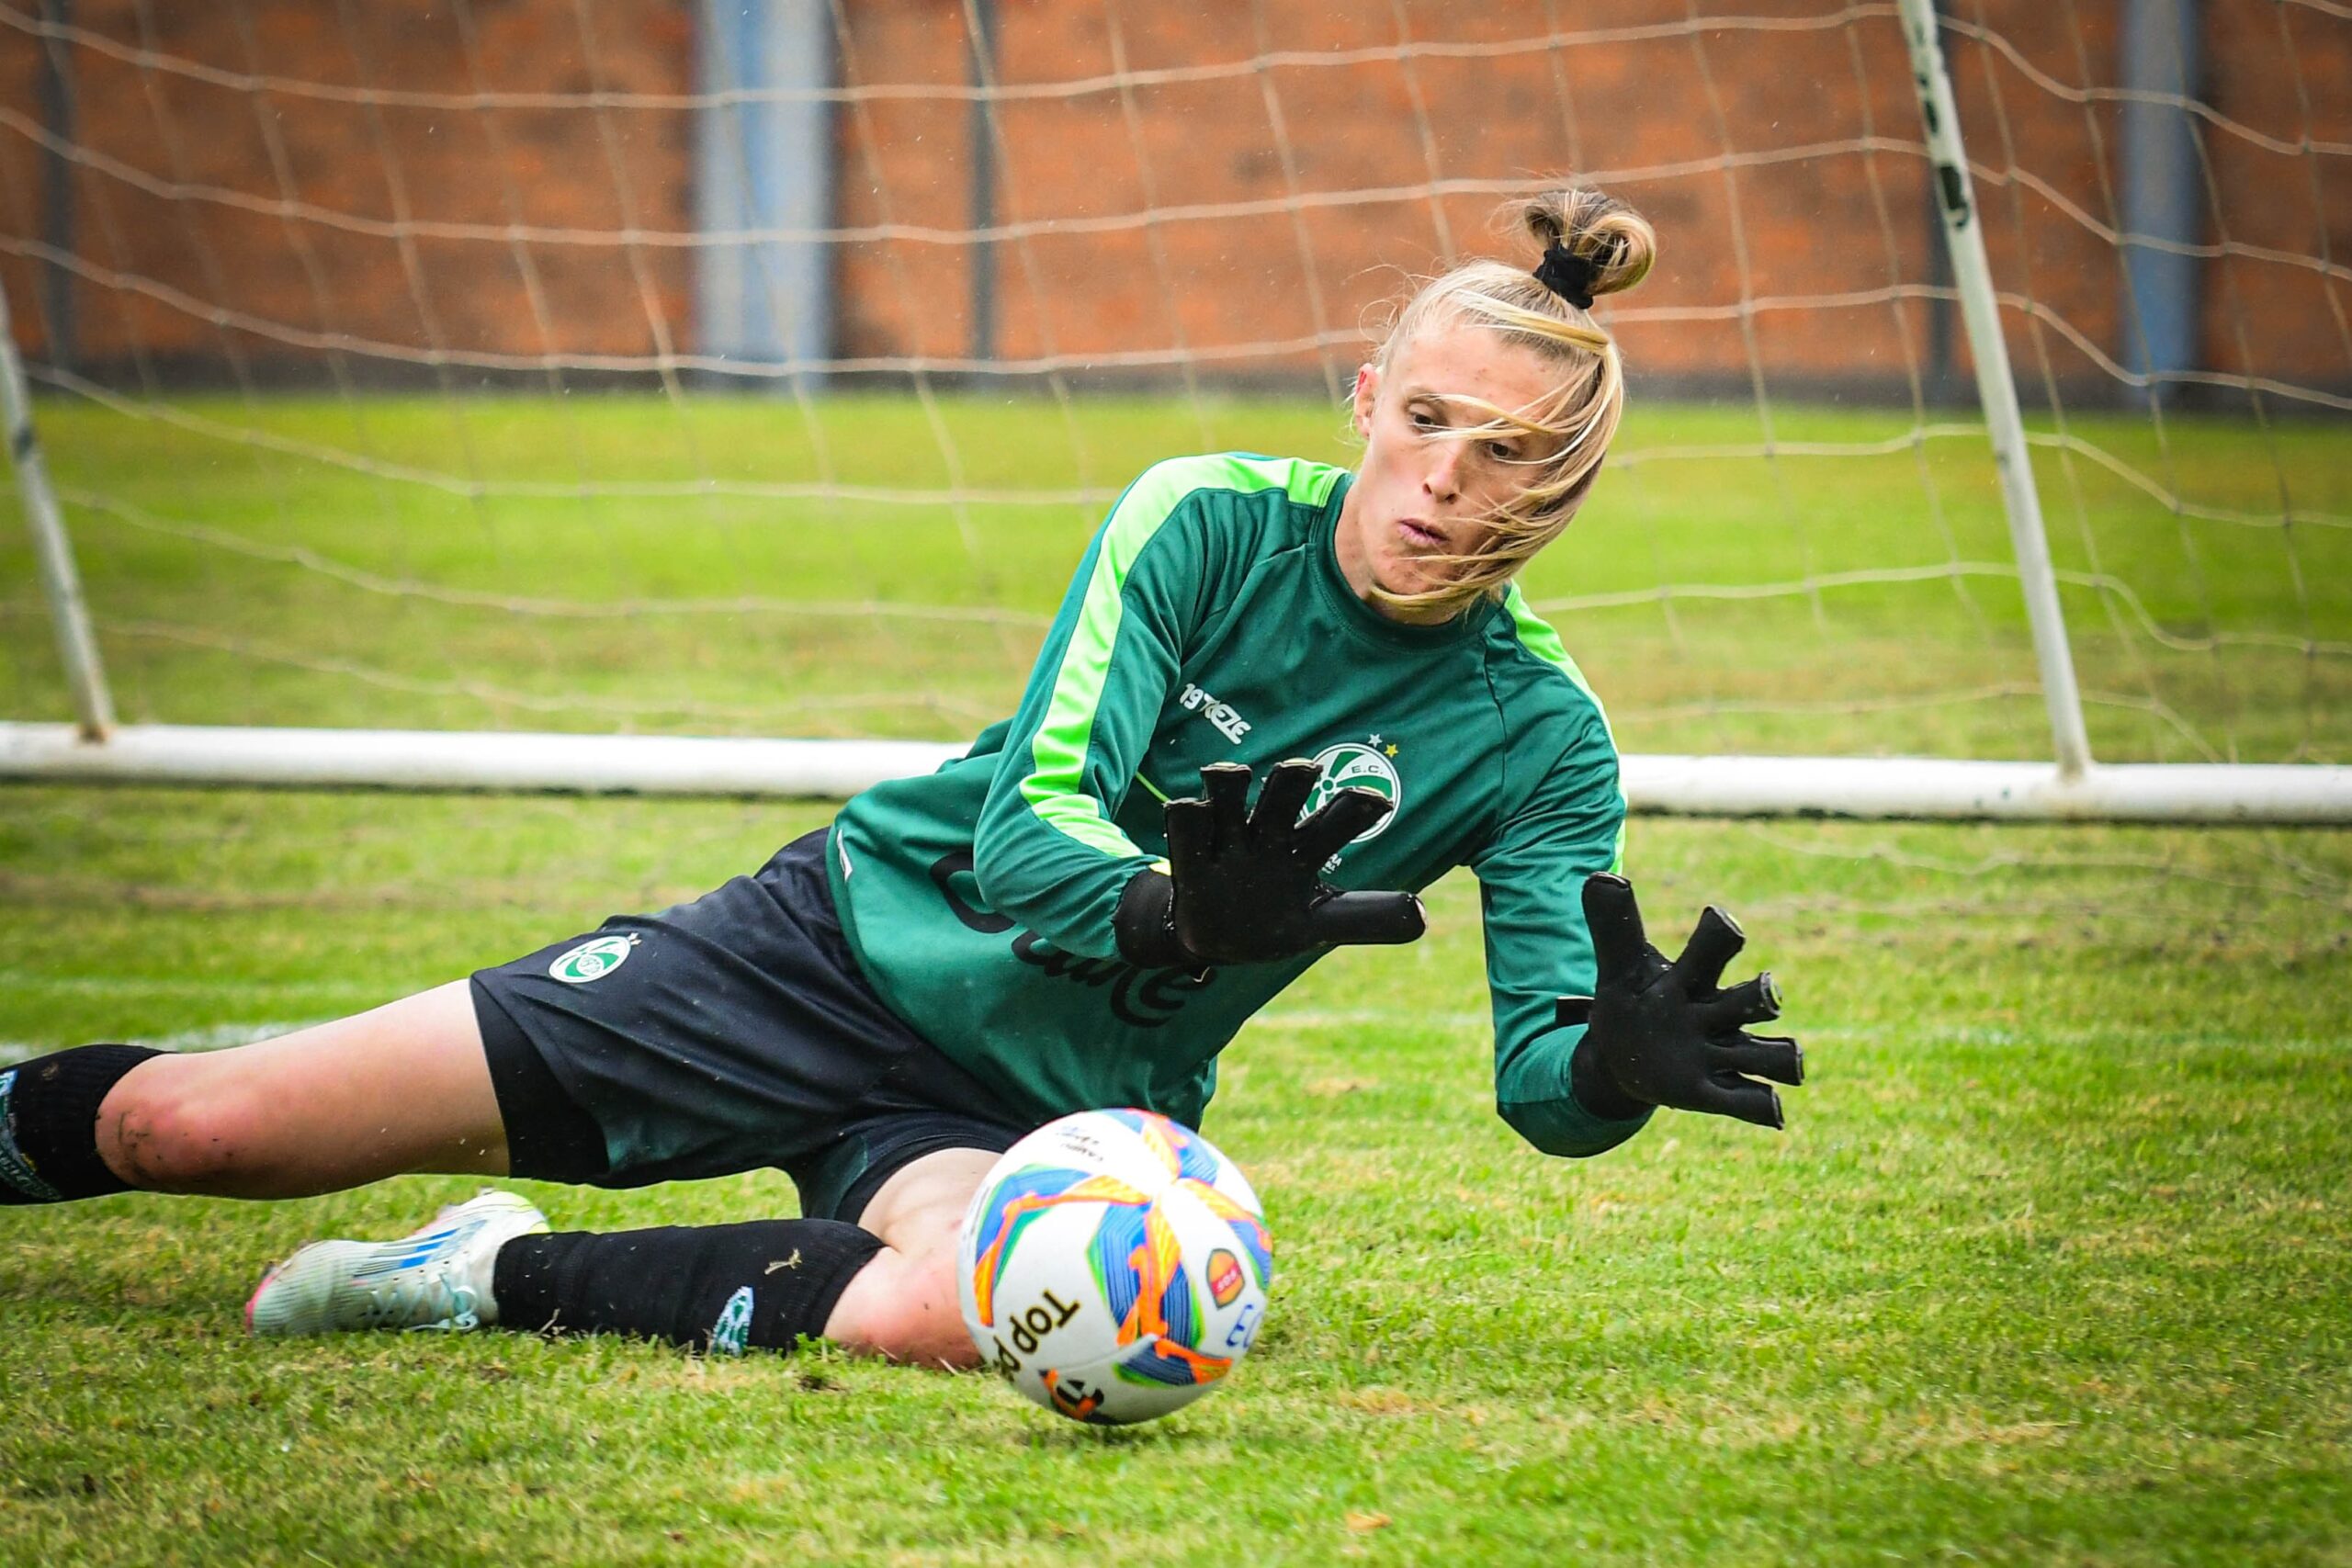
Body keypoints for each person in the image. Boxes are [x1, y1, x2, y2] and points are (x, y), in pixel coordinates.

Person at [0, 184, 1801, 1368]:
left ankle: (478, 1269)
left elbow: (1536, 1088)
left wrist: (1610, 1063)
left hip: (1049, 1099)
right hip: (830, 947)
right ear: (1359, 397)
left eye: (1500, 457)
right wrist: (1173, 905)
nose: (1438, 482)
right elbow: (1027, 826)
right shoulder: (1198, 523)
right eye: (1418, 422)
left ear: (1556, 494)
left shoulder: (1541, 738)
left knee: (957, 1311)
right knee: (197, 1128)